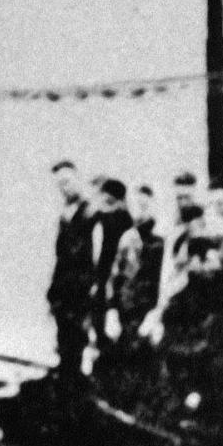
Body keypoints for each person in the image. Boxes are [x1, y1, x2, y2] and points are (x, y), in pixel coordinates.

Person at [45, 161, 98, 383]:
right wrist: (53, 291)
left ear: (78, 180)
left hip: (82, 289)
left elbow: (95, 255)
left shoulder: (90, 213)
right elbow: (61, 257)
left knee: (78, 341)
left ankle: (75, 383)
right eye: (60, 184)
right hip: (65, 290)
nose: (64, 188)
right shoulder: (64, 216)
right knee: (64, 341)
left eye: (67, 182)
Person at [106, 185, 164, 342]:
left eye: (145, 205)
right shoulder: (127, 237)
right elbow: (115, 276)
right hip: (124, 318)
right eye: (136, 205)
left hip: (149, 320)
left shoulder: (161, 240)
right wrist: (111, 312)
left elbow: (165, 282)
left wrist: (156, 316)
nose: (140, 210)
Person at [86, 178, 134, 354]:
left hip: (112, 286)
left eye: (109, 202)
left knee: (110, 332)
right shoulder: (99, 219)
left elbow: (118, 262)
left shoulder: (121, 223)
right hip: (100, 284)